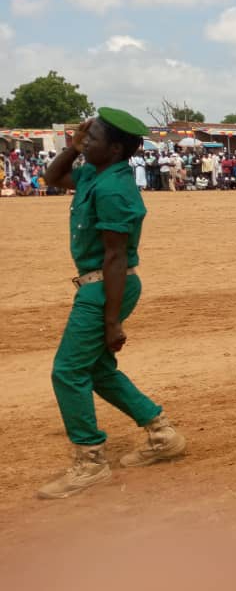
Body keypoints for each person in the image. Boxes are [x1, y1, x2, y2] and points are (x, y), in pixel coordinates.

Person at [37, 109, 187, 499]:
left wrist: (112, 322)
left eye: (94, 138)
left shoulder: (114, 189)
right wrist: (72, 148)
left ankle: (90, 461)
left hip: (107, 285)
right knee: (98, 370)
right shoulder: (95, 174)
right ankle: (162, 434)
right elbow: (52, 177)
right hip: (101, 284)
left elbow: (116, 256)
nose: (87, 141)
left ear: (116, 149)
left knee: (68, 371)